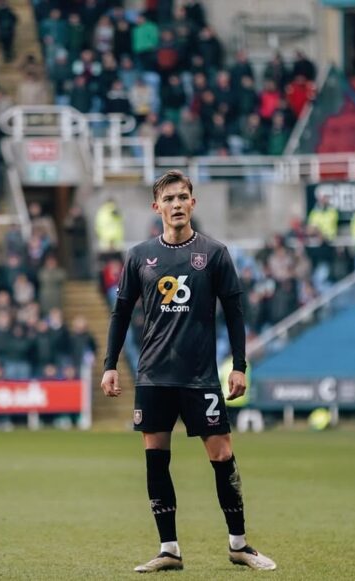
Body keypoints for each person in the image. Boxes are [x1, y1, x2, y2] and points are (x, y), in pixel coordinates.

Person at [100, 170, 276, 573]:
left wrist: (240, 366)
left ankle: (239, 544)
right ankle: (169, 549)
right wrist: (110, 366)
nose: (177, 204)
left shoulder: (214, 254)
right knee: (155, 459)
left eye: (183, 197)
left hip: (200, 377)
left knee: (223, 455)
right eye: (169, 198)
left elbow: (234, 312)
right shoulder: (139, 255)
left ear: (193, 203)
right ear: (156, 206)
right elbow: (121, 313)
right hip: (154, 376)